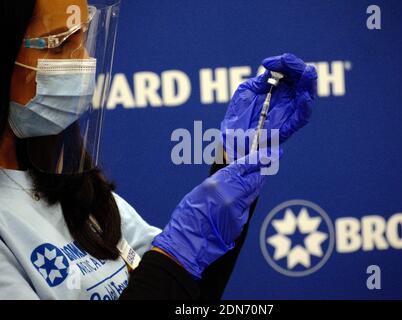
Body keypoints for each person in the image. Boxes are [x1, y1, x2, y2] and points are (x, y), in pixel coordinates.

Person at [0, 0, 317, 300]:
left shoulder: (71, 184)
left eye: (83, 37)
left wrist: (233, 162)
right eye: (58, 44)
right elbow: (174, 267)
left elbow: (184, 293)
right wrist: (181, 248)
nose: (81, 62)